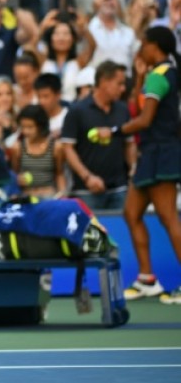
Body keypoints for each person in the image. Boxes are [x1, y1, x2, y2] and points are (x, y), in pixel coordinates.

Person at [94, 27, 181, 304]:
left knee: (169, 218)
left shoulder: (161, 76)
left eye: (143, 43)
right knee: (131, 213)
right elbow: (138, 107)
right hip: (150, 155)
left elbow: (143, 121)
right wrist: (140, 74)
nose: (139, 48)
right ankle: (147, 279)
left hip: (162, 153)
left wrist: (113, 131)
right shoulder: (157, 75)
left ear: (153, 46)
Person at [60, 60, 134, 211]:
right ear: (104, 82)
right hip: (86, 191)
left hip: (119, 188)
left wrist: (133, 169)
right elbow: (67, 148)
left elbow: (129, 143)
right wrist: (87, 177)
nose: (123, 88)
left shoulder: (123, 110)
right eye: (119, 83)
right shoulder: (77, 111)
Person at [8, 104, 65, 198]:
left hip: (49, 196)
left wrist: (62, 194)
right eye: (23, 127)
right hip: (26, 198)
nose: (26, 131)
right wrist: (18, 180)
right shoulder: (17, 148)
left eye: (30, 127)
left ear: (41, 126)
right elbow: (15, 173)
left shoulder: (56, 147)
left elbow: (59, 173)